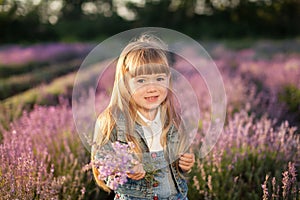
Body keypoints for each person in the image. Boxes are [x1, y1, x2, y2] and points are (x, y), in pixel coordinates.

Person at [92, 34, 195, 200]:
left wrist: (185, 164)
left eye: (159, 79)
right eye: (141, 81)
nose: (152, 88)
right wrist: (124, 169)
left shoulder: (171, 118)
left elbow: (179, 157)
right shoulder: (112, 122)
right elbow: (102, 169)